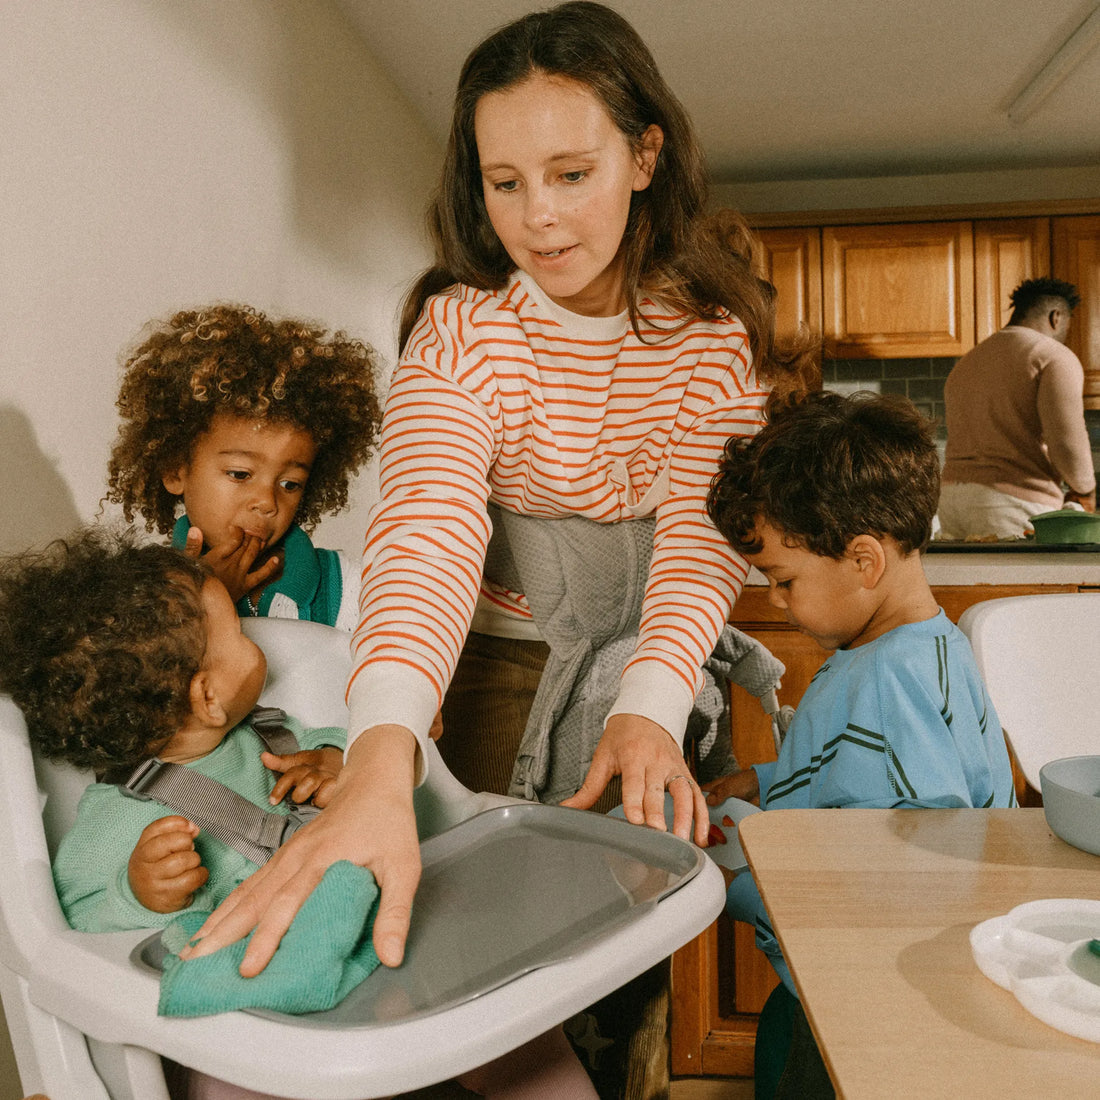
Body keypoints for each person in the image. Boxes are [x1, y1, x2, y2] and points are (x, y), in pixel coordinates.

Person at [185, 4, 814, 1095]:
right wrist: (383, 750)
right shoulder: (464, 329)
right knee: (471, 956)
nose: (538, 217)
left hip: (641, 670)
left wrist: (652, 704)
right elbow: (425, 530)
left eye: (570, 173)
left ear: (644, 155)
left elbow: (695, 550)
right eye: (503, 180)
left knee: (615, 965)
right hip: (490, 667)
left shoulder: (712, 340)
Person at [0, 529, 597, 1100]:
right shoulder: (119, 817)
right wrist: (137, 892)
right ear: (208, 696)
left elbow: (386, 791)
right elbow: (71, 926)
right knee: (232, 1073)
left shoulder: (275, 732)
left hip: (382, 953)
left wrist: (341, 765)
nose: (256, 642)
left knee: (519, 1031)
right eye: (238, 634)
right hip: (263, 1010)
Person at [701, 390, 1017, 1100]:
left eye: (785, 581)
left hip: (860, 992)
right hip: (882, 980)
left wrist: (739, 881)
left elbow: (897, 868)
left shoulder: (888, 679)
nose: (777, 602)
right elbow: (878, 779)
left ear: (863, 560)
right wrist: (763, 778)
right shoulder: (925, 646)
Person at [106, 303, 382, 629]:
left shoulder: (351, 587)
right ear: (175, 471)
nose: (267, 502)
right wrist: (204, 599)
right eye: (240, 474)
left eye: (290, 484)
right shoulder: (138, 595)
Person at [937, 276, 1096, 540]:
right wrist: (1086, 489)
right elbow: (1065, 442)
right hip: (1010, 503)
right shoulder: (1052, 356)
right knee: (1033, 582)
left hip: (952, 500)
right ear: (1056, 317)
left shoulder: (967, 362)